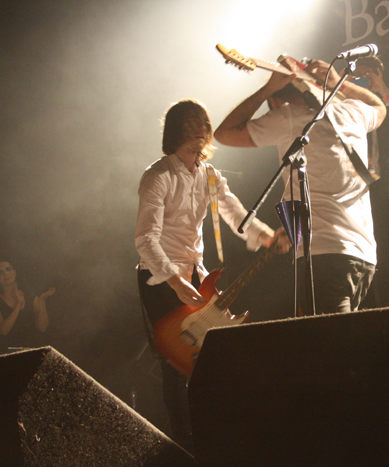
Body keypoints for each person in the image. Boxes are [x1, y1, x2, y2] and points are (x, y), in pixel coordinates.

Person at [135, 99, 290, 451]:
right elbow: (145, 238)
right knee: (175, 362)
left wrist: (266, 236)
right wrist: (175, 281)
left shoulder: (209, 175)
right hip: (160, 277)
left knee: (212, 355)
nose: (202, 128)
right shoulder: (158, 175)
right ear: (176, 130)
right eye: (193, 123)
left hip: (194, 274)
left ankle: (215, 438)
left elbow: (236, 214)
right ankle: (182, 445)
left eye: (204, 122)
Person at [214, 58, 386, 315]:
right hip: (362, 255)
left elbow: (224, 133)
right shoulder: (351, 112)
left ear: (276, 102)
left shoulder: (289, 118)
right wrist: (338, 83)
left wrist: (266, 89)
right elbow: (379, 105)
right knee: (341, 344)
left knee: (331, 349)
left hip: (323, 255)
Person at [0, 260, 56, 355]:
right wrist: (18, 305)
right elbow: (3, 331)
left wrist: (42, 301)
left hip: (33, 351)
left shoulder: (30, 296)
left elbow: (42, 328)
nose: (5, 273)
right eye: (0, 272)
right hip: (7, 355)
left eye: (8, 269)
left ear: (14, 272)